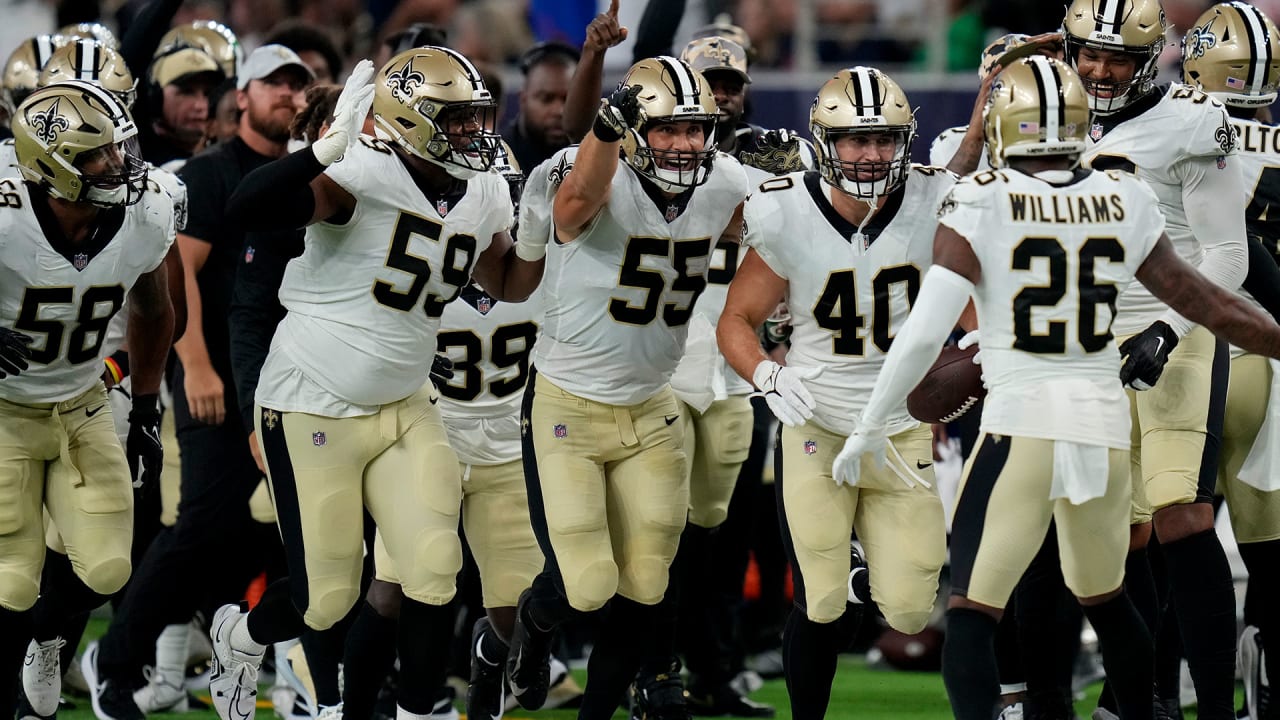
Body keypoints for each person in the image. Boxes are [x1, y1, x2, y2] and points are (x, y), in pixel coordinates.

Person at [829, 53, 1280, 720]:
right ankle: (1146, 709)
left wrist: (869, 424)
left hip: (1022, 424)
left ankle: (1037, 710)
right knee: (1108, 598)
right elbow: (1208, 300)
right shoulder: (1123, 197)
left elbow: (925, 333)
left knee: (973, 611)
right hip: (1098, 424)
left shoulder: (978, 200)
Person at [212, 45, 542, 720]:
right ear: (412, 119)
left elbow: (507, 283)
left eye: (477, 117)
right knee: (326, 599)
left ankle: (420, 711)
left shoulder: (482, 188)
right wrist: (321, 151)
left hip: (405, 402)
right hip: (311, 402)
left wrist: (535, 233)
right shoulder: (359, 168)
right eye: (455, 120)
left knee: (432, 569)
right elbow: (245, 209)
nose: (473, 133)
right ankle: (239, 635)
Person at [505, 52, 747, 720]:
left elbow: (782, 235)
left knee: (645, 586)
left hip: (651, 407)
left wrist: (788, 184)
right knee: (584, 586)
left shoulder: (723, 177)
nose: (684, 144)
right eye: (667, 129)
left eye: (695, 129)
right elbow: (574, 208)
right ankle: (530, 627)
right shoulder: (584, 167)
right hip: (568, 405)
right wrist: (606, 132)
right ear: (631, 127)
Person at [80, 44, 312, 720]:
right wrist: (199, 365)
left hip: (291, 381)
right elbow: (173, 272)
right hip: (215, 372)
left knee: (272, 532)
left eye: (298, 87)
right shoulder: (213, 173)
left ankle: (265, 663)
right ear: (242, 96)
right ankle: (116, 663)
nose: (288, 97)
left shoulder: (306, 177)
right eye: (274, 85)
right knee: (200, 523)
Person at [716, 66, 953, 720]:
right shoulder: (786, 208)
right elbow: (734, 321)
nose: (872, 155)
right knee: (820, 601)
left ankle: (858, 557)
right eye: (855, 140)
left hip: (898, 428)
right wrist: (766, 373)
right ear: (824, 141)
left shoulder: (937, 199)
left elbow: (971, 313)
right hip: (816, 421)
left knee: (908, 608)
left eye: (884, 139)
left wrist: (973, 353)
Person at [1064, 1, 1249, 716]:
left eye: (1119, 59)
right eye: (1089, 54)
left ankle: (1214, 704)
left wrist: (1168, 329)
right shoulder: (1046, 110)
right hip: (1087, 341)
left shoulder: (1193, 121)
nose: (1101, 71)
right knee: (1121, 532)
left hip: (1180, 331)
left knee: (1183, 516)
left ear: (1154, 58)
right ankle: (1139, 698)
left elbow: (1227, 255)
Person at [13, 37, 191, 720]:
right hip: (12, 391)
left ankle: (49, 639)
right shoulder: (8, 198)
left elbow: (156, 307)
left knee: (100, 555)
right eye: (94, 149)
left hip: (95, 381)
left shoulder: (150, 200)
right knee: (13, 562)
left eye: (117, 127)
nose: (116, 157)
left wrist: (145, 401)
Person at [1181, 4, 1280, 719]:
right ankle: (1265, 694)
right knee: (1271, 550)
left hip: (1184, 349)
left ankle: (1156, 695)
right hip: (1268, 359)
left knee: (1170, 540)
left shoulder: (1167, 134)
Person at [501, 41, 579, 174]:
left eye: (569, 99)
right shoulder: (499, 158)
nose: (559, 111)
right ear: (523, 99)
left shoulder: (599, 154)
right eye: (546, 99)